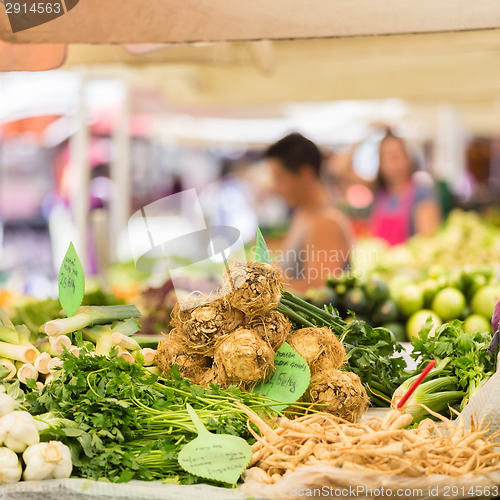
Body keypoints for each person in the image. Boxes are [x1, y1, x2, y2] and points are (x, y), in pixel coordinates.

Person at [265, 132, 353, 292]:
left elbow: (319, 290)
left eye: (280, 179)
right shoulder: (303, 212)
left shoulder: (326, 222)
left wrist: (260, 291)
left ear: (306, 175)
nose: (276, 188)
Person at [370, 132, 441, 245]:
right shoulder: (380, 194)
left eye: (395, 156)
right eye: (385, 157)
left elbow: (428, 240)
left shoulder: (423, 193)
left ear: (408, 158)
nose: (391, 163)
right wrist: (370, 132)